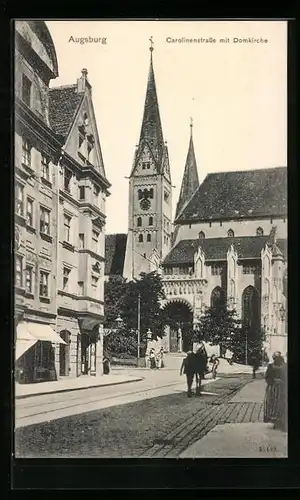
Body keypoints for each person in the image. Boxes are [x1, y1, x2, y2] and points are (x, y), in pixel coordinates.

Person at [263, 351, 286, 430]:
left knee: (281, 404)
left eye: (278, 358)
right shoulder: (271, 366)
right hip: (273, 389)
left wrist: (283, 381)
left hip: (283, 389)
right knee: (272, 404)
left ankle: (281, 421)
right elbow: (267, 377)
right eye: (275, 358)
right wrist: (273, 381)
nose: (277, 359)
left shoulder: (284, 366)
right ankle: (275, 422)